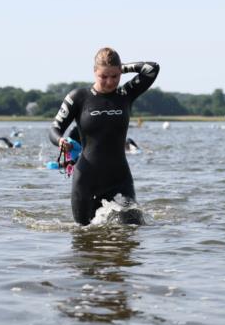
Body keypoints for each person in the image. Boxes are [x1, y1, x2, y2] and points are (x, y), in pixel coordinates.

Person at [49, 47, 159, 225]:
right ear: (94, 72)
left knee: (131, 228)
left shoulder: (125, 94)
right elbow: (54, 129)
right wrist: (60, 141)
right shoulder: (78, 97)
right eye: (104, 76)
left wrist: (123, 67)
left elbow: (152, 68)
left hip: (120, 179)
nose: (110, 82)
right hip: (86, 180)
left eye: (115, 76)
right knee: (84, 238)